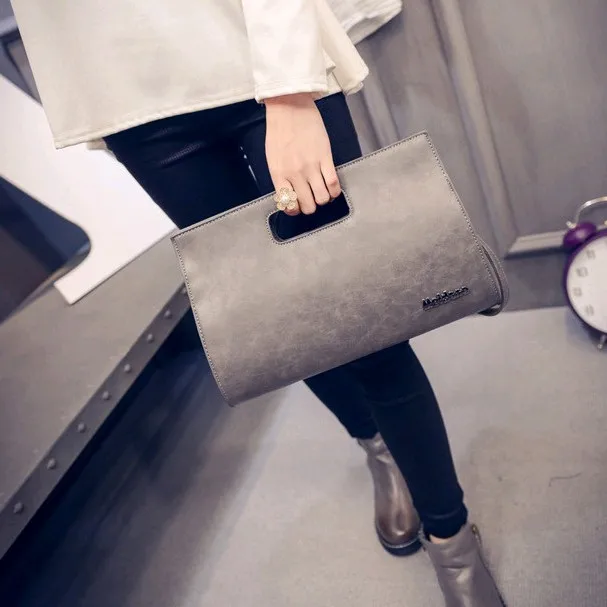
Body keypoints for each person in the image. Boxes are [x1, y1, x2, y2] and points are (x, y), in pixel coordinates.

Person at [11, 1, 505, 604]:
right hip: (132, 96)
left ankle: (452, 544)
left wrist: (290, 91)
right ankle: (378, 449)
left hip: (251, 49)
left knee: (366, 317)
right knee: (287, 322)